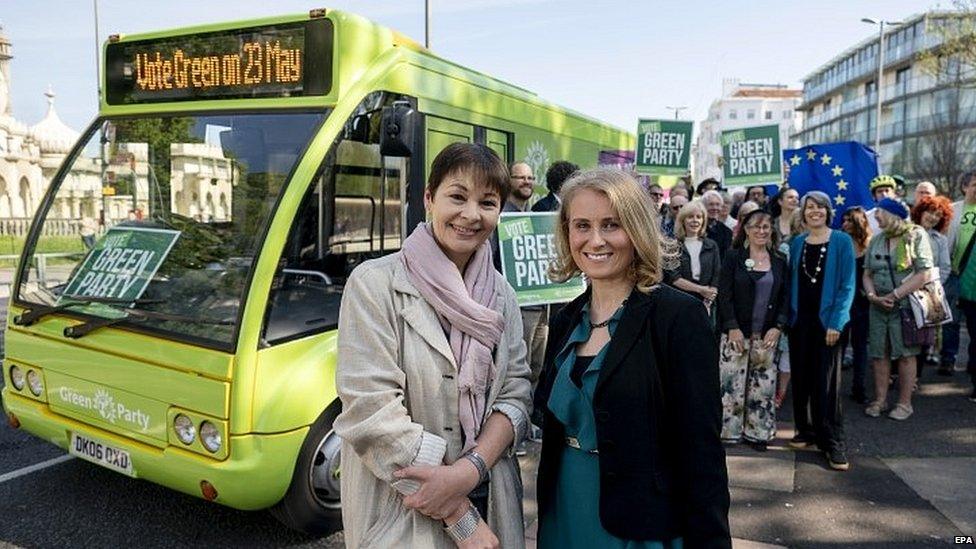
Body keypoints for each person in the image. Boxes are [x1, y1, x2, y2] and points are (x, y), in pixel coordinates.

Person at [334, 142, 531, 548]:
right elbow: (371, 412)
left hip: (489, 493)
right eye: (457, 197)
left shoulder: (502, 295)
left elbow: (516, 393)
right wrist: (458, 513)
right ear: (428, 198)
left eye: (487, 202)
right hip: (403, 510)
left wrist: (468, 472)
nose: (471, 215)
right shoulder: (376, 284)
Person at [535, 168, 731, 549]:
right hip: (565, 508)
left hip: (642, 521)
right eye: (582, 225)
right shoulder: (564, 320)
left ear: (638, 229)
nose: (595, 240)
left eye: (611, 225)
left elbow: (701, 450)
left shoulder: (679, 317)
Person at [787, 191, 856, 471]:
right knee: (801, 379)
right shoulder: (797, 243)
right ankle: (806, 431)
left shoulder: (841, 240)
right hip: (799, 322)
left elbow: (848, 285)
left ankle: (833, 442)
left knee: (827, 383)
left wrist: (837, 322)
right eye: (809, 207)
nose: (814, 211)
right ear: (803, 213)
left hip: (828, 323)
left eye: (820, 207)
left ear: (829, 211)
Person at [717, 209, 789, 451]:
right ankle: (729, 431)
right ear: (746, 229)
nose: (761, 231)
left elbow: (785, 299)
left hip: (766, 336)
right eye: (756, 226)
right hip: (735, 335)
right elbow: (724, 296)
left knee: (763, 386)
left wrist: (778, 326)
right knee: (730, 385)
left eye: (766, 227)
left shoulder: (779, 260)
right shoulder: (733, 257)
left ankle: (758, 433)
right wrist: (732, 326)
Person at [862, 199, 934, 421]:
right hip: (878, 307)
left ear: (892, 214)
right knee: (878, 353)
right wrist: (873, 296)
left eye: (879, 213)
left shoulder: (915, 235)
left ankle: (904, 403)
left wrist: (894, 295)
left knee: (905, 355)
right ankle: (880, 400)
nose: (876, 217)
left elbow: (925, 273)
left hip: (905, 307)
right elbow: (867, 273)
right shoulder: (877, 239)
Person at [912, 195, 953, 374]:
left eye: (938, 215)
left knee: (922, 338)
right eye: (930, 212)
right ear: (921, 212)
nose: (933, 217)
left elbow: (945, 268)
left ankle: (915, 377)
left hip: (927, 293)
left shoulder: (940, 240)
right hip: (903, 290)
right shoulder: (907, 232)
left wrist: (930, 287)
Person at [945, 171, 976, 401]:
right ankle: (948, 358)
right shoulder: (953, 210)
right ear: (964, 187)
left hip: (973, 278)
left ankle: (973, 368)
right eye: (974, 184)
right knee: (951, 320)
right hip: (954, 273)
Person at [839, 207, 872, 404]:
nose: (845, 224)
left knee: (861, 347)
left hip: (862, 302)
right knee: (839, 345)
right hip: (843, 302)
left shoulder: (869, 245)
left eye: (849, 220)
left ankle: (859, 387)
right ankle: (833, 387)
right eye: (843, 220)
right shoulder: (839, 243)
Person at [665, 199, 721, 312]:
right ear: (683, 220)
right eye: (690, 217)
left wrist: (708, 300)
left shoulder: (712, 245)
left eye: (699, 217)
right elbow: (674, 278)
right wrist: (701, 290)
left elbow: (716, 276)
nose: (695, 220)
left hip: (707, 302)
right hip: (680, 303)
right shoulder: (672, 246)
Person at [703, 190, 734, 258]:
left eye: (717, 205)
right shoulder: (696, 228)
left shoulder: (726, 232)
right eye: (711, 204)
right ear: (703, 207)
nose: (715, 208)